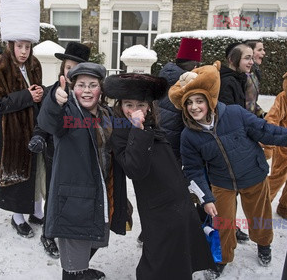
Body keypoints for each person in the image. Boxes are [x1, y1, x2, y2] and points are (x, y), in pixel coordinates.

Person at [168, 62, 287, 278]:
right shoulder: (188, 135)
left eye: (199, 101)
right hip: (221, 182)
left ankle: (264, 244)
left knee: (259, 216)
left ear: (209, 100)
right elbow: (193, 170)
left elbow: (268, 132)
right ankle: (222, 257)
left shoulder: (235, 114)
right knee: (222, 222)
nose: (194, 107)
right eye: (189, 103)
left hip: (253, 175)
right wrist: (206, 198)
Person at [105, 73, 215, 280]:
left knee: (181, 253)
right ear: (120, 106)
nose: (134, 110)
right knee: (159, 257)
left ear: (149, 107)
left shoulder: (152, 125)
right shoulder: (121, 133)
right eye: (129, 104)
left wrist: (198, 195)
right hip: (157, 207)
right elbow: (134, 169)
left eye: (141, 104)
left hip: (178, 201)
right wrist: (137, 130)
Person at [37, 62, 128, 280]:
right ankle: (76, 273)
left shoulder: (106, 114)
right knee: (73, 259)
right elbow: (48, 121)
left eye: (92, 85)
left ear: (101, 89)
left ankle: (82, 270)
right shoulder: (68, 113)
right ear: (72, 88)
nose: (86, 90)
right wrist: (53, 100)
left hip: (101, 193)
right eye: (80, 85)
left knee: (92, 240)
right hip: (73, 200)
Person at [0, 0, 45, 238]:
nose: (24, 51)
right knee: (15, 175)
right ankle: (17, 218)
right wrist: (28, 96)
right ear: (10, 45)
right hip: (10, 132)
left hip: (34, 128)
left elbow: (36, 93)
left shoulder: (35, 64)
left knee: (35, 171)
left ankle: (36, 211)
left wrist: (41, 92)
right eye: (20, 46)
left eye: (28, 46)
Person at [28, 41, 91, 258]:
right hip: (56, 155)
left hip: (82, 157)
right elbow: (43, 122)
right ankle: (47, 233)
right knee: (55, 196)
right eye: (68, 67)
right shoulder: (52, 92)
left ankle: (70, 232)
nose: (71, 72)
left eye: (77, 68)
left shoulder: (91, 95)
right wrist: (38, 137)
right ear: (62, 69)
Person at [158, 37, 202, 163]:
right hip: (176, 141)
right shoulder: (187, 84)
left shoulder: (164, 76)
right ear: (194, 65)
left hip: (160, 139)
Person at [218, 43, 253, 107]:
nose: (251, 62)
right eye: (247, 58)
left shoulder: (240, 79)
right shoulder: (227, 82)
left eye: (251, 58)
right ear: (231, 60)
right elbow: (229, 112)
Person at [243, 40, 266, 118]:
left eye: (263, 49)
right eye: (259, 50)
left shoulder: (254, 74)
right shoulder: (242, 75)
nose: (264, 53)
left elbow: (251, 103)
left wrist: (262, 113)